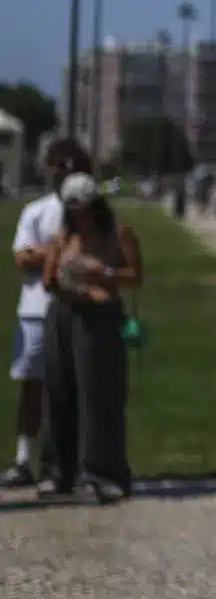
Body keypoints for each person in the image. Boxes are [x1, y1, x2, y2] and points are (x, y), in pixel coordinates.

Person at [40, 172, 143, 502]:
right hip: (65, 314)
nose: (80, 217)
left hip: (101, 318)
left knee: (98, 394)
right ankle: (60, 470)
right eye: (74, 211)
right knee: (60, 390)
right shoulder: (63, 237)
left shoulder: (118, 234)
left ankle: (101, 472)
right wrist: (78, 289)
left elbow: (135, 275)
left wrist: (106, 273)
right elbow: (49, 278)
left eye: (85, 209)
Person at [6, 141, 92, 488]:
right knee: (31, 386)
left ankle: (70, 463)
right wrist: (61, 252)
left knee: (76, 389)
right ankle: (24, 459)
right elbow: (22, 258)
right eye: (56, 164)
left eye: (68, 164)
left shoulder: (91, 212)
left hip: (78, 308)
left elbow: (102, 252)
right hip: (36, 310)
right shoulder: (36, 211)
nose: (62, 171)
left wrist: (52, 255)